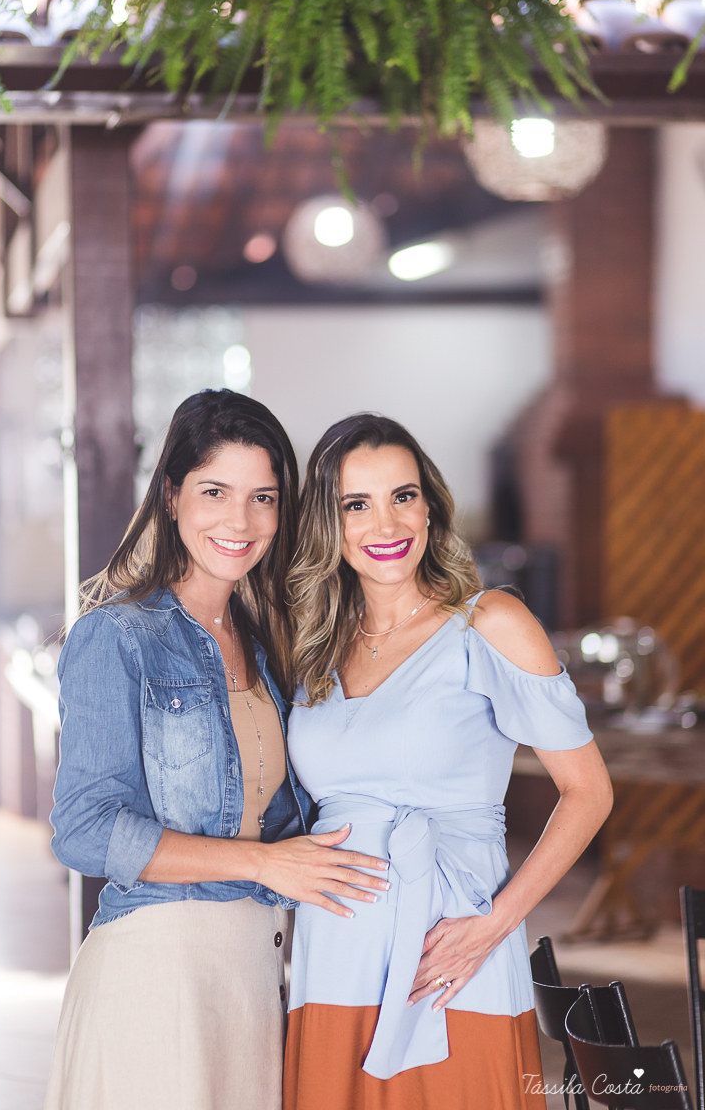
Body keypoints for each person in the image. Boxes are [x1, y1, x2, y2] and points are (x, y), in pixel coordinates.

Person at [44, 390, 390, 1110]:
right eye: (215, 491)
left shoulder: (267, 646)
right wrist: (265, 863)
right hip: (155, 975)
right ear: (171, 497)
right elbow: (84, 829)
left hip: (253, 977)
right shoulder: (117, 636)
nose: (241, 521)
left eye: (262, 497)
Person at [283, 413, 613, 1110]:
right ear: (328, 525)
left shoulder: (488, 623)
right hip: (333, 955)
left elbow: (588, 793)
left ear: (429, 506)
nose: (385, 524)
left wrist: (494, 926)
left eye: (402, 496)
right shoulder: (313, 649)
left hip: (452, 956)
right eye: (356, 504)